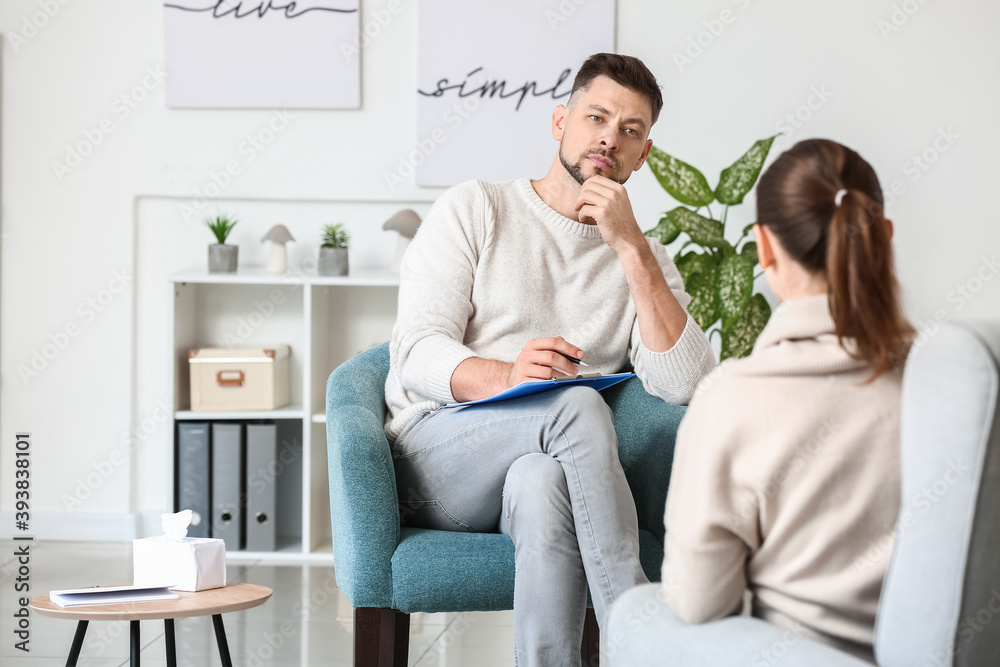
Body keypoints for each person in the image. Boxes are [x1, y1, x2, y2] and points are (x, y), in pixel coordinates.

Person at [384, 53, 715, 666]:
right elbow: (414, 352)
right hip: (437, 456)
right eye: (597, 117)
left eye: (631, 130)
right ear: (560, 121)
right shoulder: (477, 207)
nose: (609, 138)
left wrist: (629, 245)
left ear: (643, 155)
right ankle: (634, 624)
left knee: (542, 484)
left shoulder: (642, 256)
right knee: (576, 402)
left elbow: (685, 382)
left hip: (540, 467)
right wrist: (508, 377)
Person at [606, 139, 914, 665]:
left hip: (794, 654)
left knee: (636, 609)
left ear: (764, 249)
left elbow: (702, 600)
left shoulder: (732, 397)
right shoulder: (953, 386)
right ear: (883, 237)